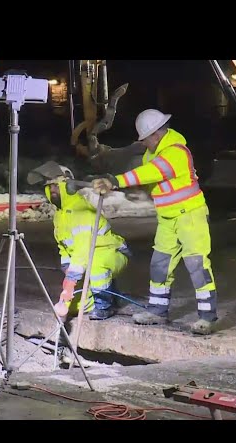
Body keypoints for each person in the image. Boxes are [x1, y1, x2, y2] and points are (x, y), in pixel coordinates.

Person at [91, 109, 218, 335]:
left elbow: (151, 172)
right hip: (168, 217)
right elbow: (145, 173)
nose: (143, 143)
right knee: (159, 265)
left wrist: (115, 181)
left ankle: (207, 318)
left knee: (197, 266)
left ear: (155, 136)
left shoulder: (177, 152)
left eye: (145, 138)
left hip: (190, 216)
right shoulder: (155, 152)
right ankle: (157, 312)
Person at [43, 164, 131, 321]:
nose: (53, 190)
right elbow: (63, 245)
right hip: (88, 258)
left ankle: (104, 305)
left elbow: (83, 251)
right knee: (78, 307)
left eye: (56, 185)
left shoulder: (81, 211)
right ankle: (114, 295)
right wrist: (66, 267)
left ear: (68, 186)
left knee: (96, 263)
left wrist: (71, 280)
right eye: (50, 187)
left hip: (112, 253)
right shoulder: (60, 214)